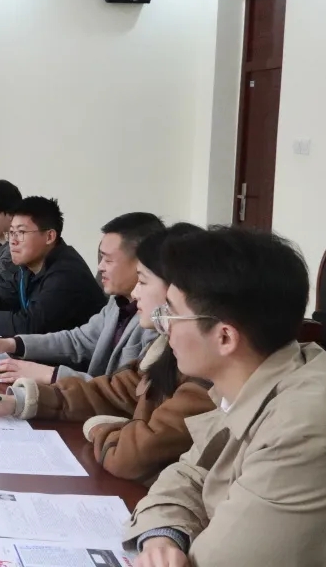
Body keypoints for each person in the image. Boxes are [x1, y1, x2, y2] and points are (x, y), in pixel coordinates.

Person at [124, 227, 326, 567]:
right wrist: (162, 536)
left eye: (170, 314)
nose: (164, 328)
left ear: (225, 337)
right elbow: (188, 475)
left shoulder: (302, 426)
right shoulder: (254, 380)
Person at [0, 224, 215, 483]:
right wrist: (18, 401)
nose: (136, 292)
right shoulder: (145, 333)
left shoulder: (200, 372)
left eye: (143, 280)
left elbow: (133, 454)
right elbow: (110, 390)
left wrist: (97, 425)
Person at [0, 212, 164, 383]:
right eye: (11, 232)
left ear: (142, 264)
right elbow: (80, 340)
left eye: (108, 260)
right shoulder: (119, 302)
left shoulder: (156, 322)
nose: (100, 267)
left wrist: (50, 374)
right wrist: (13, 344)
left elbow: (124, 395)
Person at [0, 196, 106, 335]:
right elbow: (7, 297)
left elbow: (28, 326)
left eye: (21, 232)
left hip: (77, 359)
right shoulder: (29, 265)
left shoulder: (66, 274)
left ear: (49, 236)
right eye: (11, 233)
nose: (13, 241)